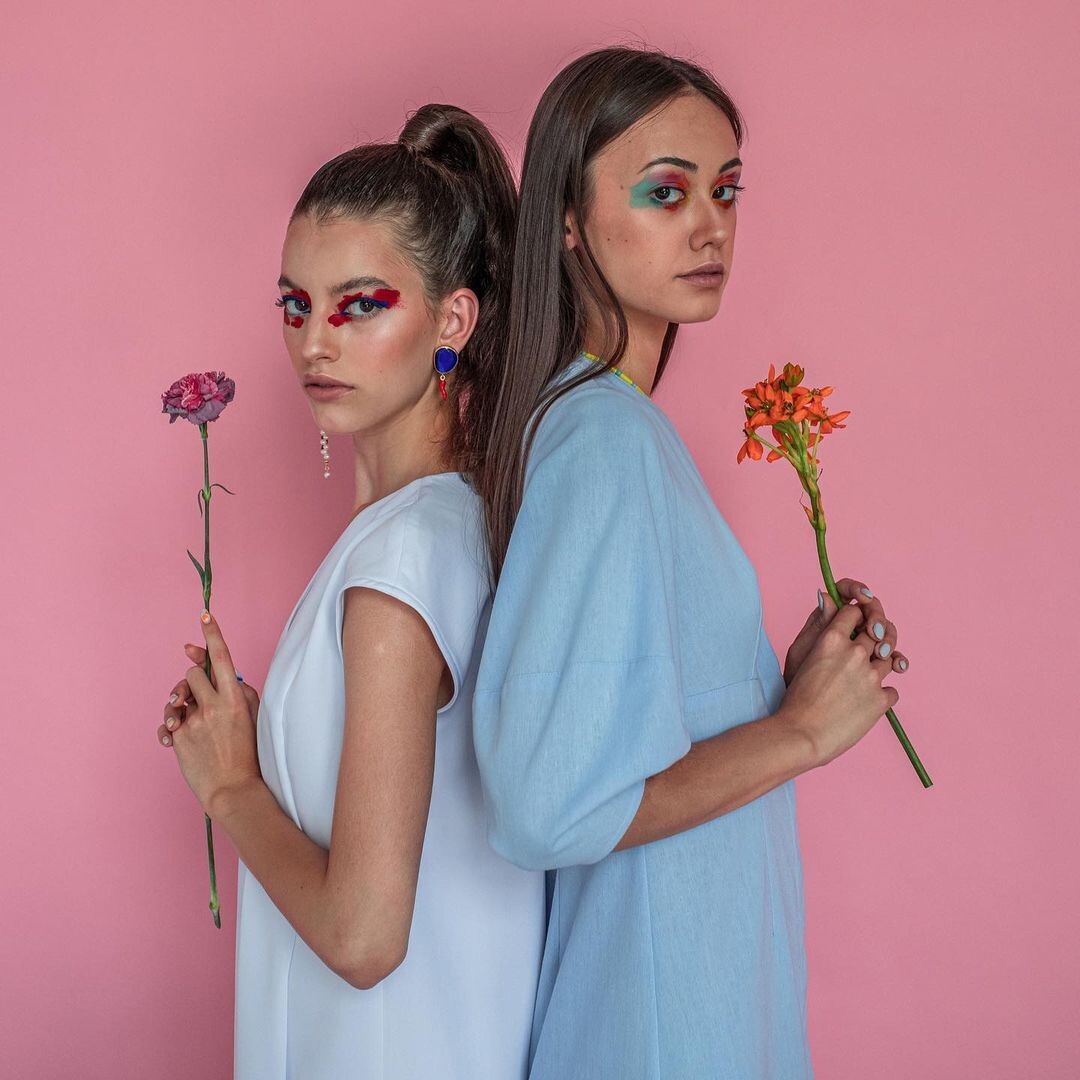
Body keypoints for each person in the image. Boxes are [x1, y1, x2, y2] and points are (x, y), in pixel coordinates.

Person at [472, 47, 911, 1079]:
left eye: (726, 190)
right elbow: (547, 805)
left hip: (694, 995)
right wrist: (802, 732)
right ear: (567, 221)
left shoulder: (617, 430)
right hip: (662, 1023)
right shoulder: (603, 441)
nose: (711, 225)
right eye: (665, 193)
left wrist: (777, 686)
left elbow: (636, 730)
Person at [156, 104, 545, 1080]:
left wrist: (232, 786)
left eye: (361, 305)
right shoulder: (455, 527)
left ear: (453, 320)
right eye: (297, 305)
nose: (314, 343)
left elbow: (364, 938)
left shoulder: (399, 563)